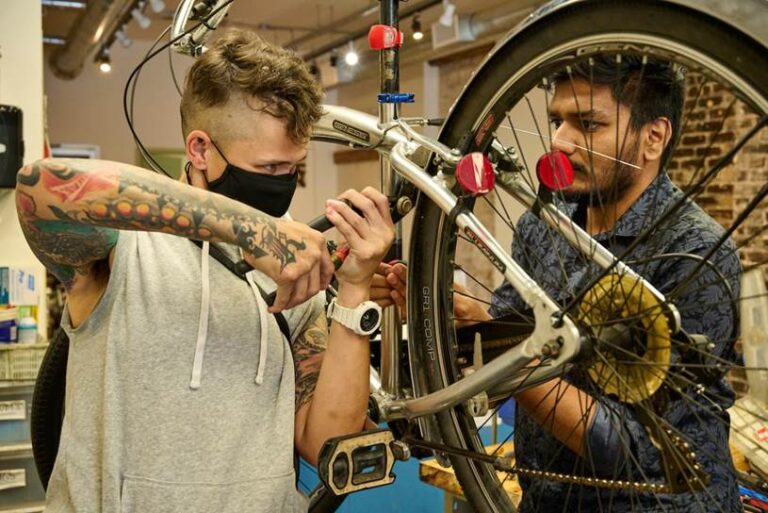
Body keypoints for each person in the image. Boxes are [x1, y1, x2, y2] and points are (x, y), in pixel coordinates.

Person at [16, 30, 394, 512]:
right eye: (269, 167)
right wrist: (251, 230)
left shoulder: (294, 268)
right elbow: (40, 187)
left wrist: (355, 289)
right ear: (200, 150)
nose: (283, 188)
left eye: (293, 169)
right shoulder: (123, 245)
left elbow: (327, 442)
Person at [373, 55, 741, 511]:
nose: (559, 141)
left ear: (654, 137)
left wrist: (504, 353)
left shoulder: (696, 249)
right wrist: (469, 318)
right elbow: (509, 343)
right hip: (546, 498)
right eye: (555, 120)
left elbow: (644, 451)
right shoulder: (542, 226)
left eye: (587, 125)